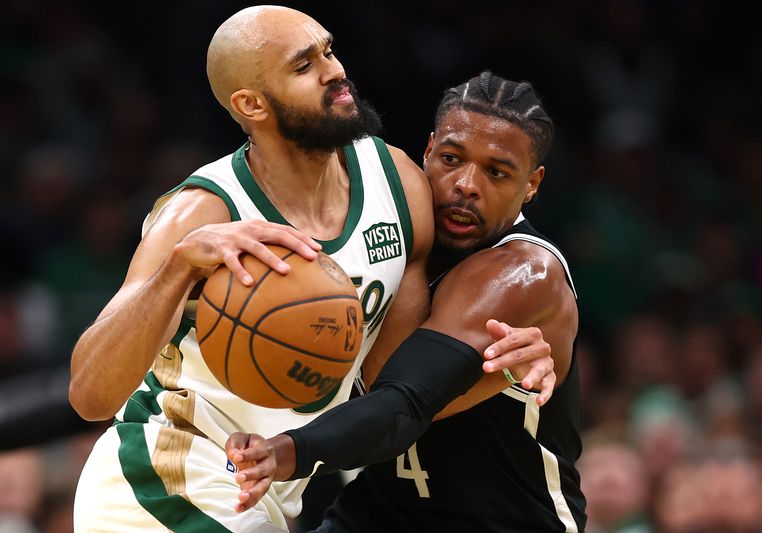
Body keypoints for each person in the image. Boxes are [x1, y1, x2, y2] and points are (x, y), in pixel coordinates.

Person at [68, 7, 554, 532]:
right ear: (251, 104)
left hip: (261, 488)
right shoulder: (204, 212)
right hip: (163, 475)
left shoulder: (398, 185)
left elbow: (390, 392)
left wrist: (499, 366)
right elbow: (90, 395)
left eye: (328, 50)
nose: (334, 71)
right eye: (304, 66)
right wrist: (179, 268)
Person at [227, 71, 587, 532]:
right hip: (382, 513)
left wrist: (283, 451)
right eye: (452, 158)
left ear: (532, 184)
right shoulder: (385, 234)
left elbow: (401, 401)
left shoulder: (522, 273)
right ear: (428, 149)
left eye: (497, 172)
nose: (466, 185)